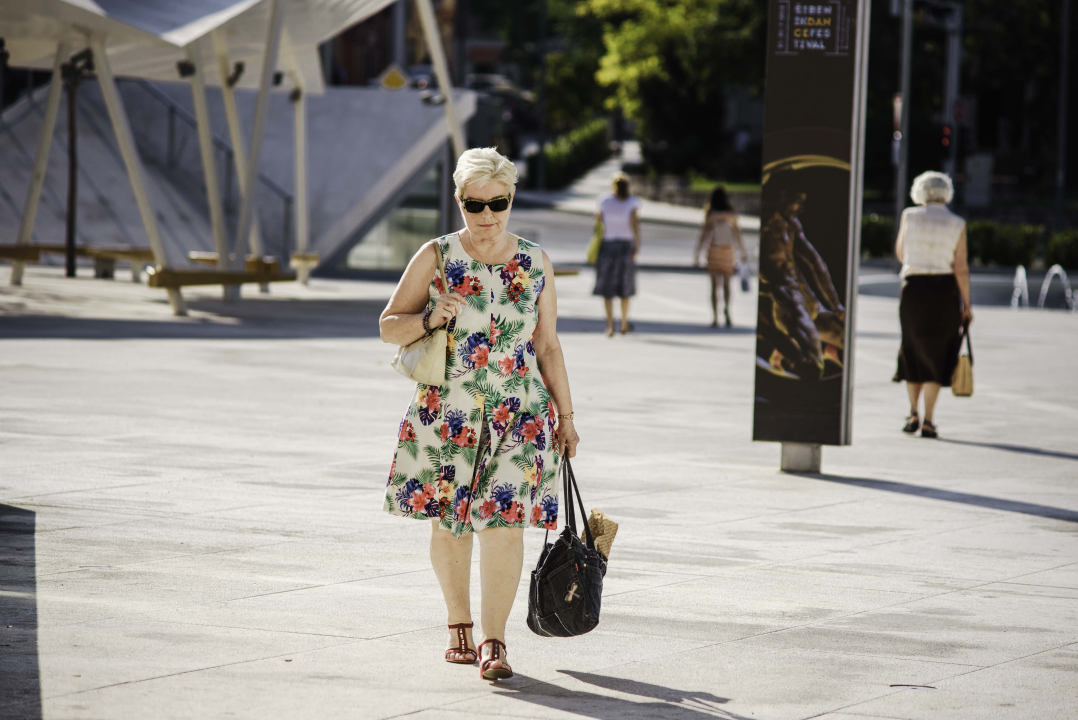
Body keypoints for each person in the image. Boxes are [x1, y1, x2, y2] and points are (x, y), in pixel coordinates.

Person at [378, 147, 580, 681]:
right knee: (451, 523)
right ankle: (458, 625)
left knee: (505, 523)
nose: (487, 216)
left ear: (511, 198)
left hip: (522, 417)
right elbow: (388, 326)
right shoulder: (437, 255)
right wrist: (428, 316)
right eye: (475, 205)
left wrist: (567, 417)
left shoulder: (535, 261)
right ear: (459, 200)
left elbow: (549, 346)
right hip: (448, 414)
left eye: (499, 203)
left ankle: (495, 642)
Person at [893, 171, 973, 439]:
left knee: (912, 349)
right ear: (946, 193)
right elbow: (960, 267)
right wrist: (967, 305)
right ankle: (929, 421)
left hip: (914, 290)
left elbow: (901, 253)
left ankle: (912, 412)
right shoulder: (957, 222)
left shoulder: (910, 216)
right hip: (944, 292)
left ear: (921, 192)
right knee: (937, 354)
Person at [593, 172, 642, 336]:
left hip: (607, 245)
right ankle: (624, 323)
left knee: (608, 288)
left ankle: (610, 326)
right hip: (626, 246)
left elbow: (598, 223)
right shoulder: (632, 202)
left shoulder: (604, 201)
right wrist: (637, 246)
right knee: (625, 287)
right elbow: (635, 226)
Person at [694, 185, 748, 327]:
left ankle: (715, 317)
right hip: (728, 252)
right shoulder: (731, 214)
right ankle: (727, 310)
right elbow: (737, 233)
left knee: (714, 287)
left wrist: (697, 254)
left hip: (714, 251)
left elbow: (704, 235)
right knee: (727, 286)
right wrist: (743, 252)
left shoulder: (711, 215)